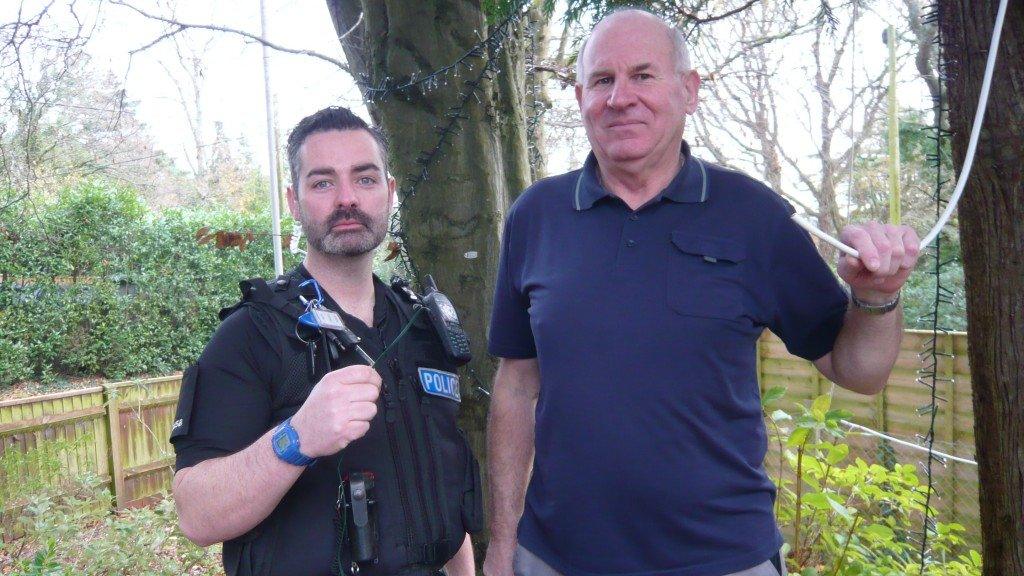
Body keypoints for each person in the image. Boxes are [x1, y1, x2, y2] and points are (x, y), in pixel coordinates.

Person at [484, 9, 919, 576]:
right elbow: (516, 386)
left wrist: (877, 296)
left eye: (643, 75)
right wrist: (500, 544)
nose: (621, 97)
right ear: (580, 96)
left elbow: (858, 369)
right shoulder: (536, 216)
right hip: (557, 557)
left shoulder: (754, 216)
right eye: (602, 80)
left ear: (688, 91)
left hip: (723, 558)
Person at [170, 106, 483, 576]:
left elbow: (445, 491)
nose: (347, 198)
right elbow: (196, 513)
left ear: (389, 193)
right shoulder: (252, 335)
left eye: (365, 178)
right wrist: (297, 439)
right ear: (294, 202)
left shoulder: (423, 326)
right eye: (322, 182)